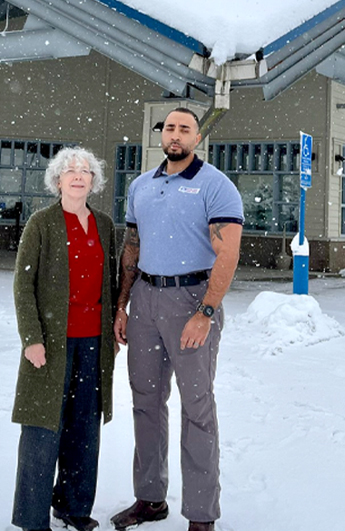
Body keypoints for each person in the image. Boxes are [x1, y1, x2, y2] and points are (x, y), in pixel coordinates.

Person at [110, 108, 244, 531]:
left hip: (192, 300)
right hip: (146, 299)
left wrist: (205, 312)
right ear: (161, 134)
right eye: (170, 127)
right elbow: (132, 247)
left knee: (197, 407)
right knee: (145, 403)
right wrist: (122, 304)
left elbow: (228, 254)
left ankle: (201, 516)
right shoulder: (140, 186)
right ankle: (149, 498)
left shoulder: (216, 186)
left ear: (197, 137)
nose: (176, 134)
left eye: (185, 128)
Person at [11, 147, 118, 531]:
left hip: (93, 342)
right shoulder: (41, 223)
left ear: (94, 181)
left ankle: (73, 506)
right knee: (43, 427)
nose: (78, 176)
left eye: (85, 171)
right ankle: (31, 517)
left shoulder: (104, 225)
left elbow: (111, 282)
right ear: (58, 180)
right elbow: (24, 285)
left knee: (84, 427)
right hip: (51, 343)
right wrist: (32, 338)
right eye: (70, 171)